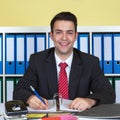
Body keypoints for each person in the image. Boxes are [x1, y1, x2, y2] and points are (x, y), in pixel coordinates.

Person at [13, 11, 115, 111]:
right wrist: (30, 98)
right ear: (51, 35)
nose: (64, 38)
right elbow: (19, 90)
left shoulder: (90, 62)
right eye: (59, 32)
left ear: (76, 35)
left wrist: (90, 101)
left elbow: (108, 93)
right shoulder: (37, 60)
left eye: (69, 33)